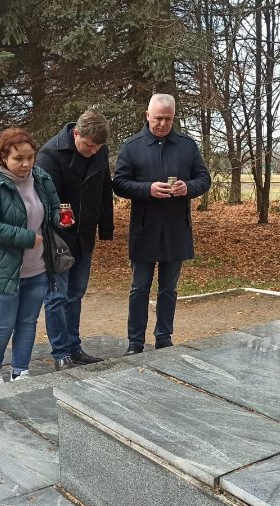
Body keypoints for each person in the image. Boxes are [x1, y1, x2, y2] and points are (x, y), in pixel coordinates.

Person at [112, 94, 211, 355]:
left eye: (167, 119)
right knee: (139, 288)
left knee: (169, 289)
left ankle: (164, 339)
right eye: (158, 118)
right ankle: (135, 342)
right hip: (144, 228)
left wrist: (188, 188)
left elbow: (204, 179)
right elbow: (119, 183)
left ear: (173, 118)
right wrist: (147, 189)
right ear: (147, 116)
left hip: (176, 228)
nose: (162, 124)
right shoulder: (132, 146)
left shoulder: (186, 145)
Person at [0, 127, 66, 386]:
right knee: (3, 324)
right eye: (18, 158)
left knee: (27, 322)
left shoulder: (41, 177)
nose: (26, 164)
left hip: (38, 268)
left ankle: (20, 371)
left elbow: (53, 208)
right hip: (3, 269)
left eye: (30, 157)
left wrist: (60, 218)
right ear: (3, 157)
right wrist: (26, 237)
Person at [37, 111, 114, 370]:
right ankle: (60, 353)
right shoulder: (50, 154)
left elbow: (105, 189)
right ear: (76, 134)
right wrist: (58, 221)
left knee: (76, 294)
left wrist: (106, 228)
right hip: (58, 239)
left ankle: (74, 347)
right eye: (89, 146)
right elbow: (45, 201)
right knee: (57, 296)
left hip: (85, 236)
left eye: (98, 147)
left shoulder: (99, 151)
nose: (93, 152)